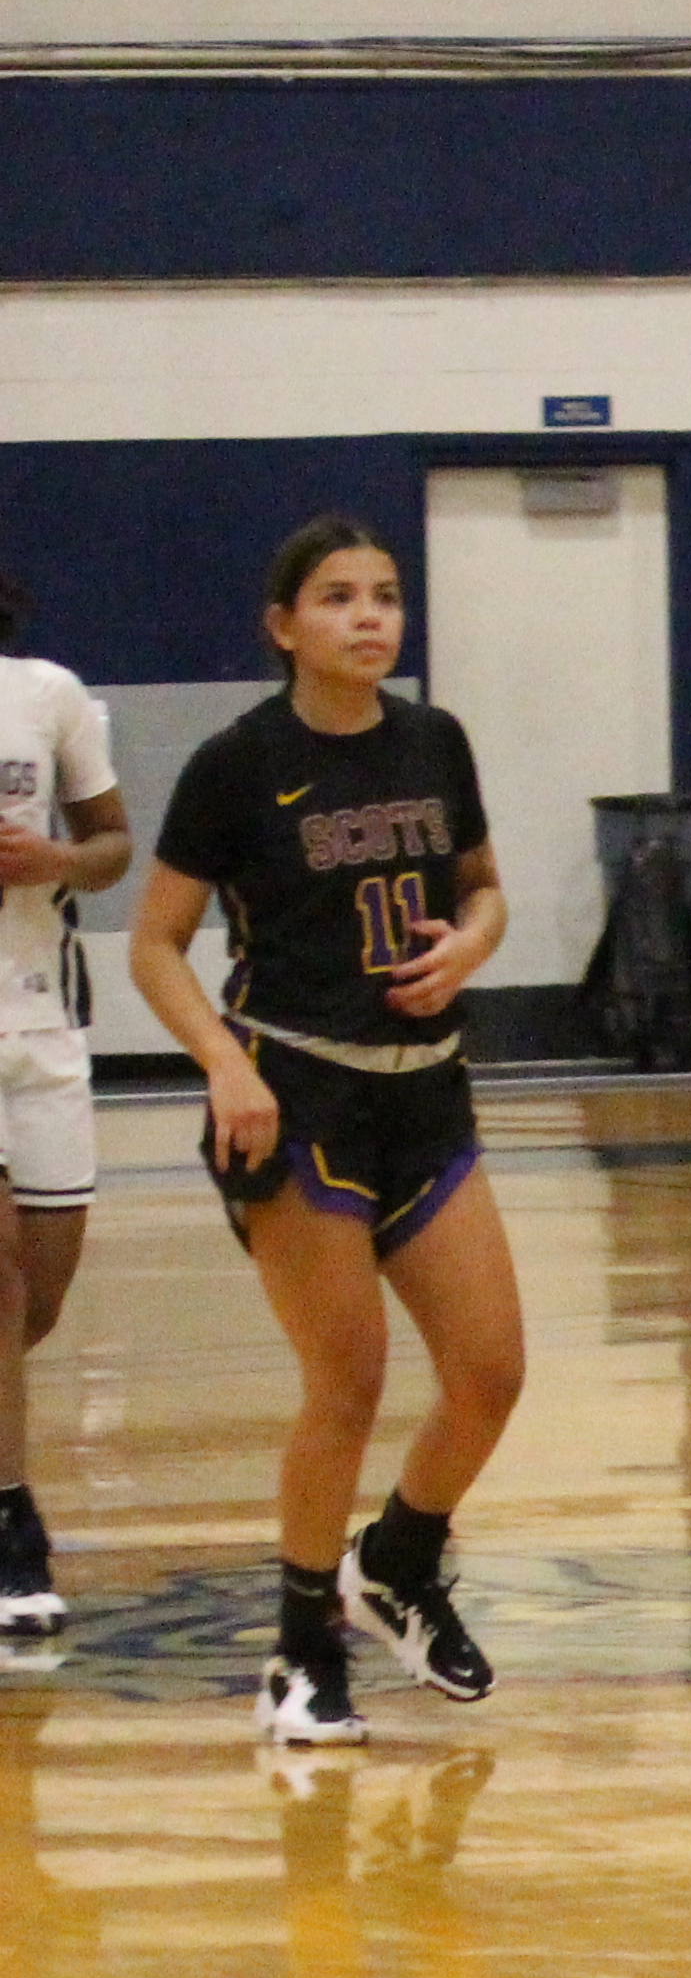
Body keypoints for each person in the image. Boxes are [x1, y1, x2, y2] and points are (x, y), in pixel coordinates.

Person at [119, 517, 524, 1746]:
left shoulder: (434, 740)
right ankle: (300, 1653)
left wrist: (476, 944)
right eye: (339, 596)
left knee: (491, 1375)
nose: (370, 617)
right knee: (346, 1380)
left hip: (427, 1092)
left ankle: (397, 1559)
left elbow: (485, 890)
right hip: (295, 1101)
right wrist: (224, 1063)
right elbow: (153, 945)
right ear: (283, 624)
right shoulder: (238, 765)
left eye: (387, 596)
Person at [0, 584, 128, 1642]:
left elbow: (115, 845)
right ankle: (11, 1528)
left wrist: (56, 862)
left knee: (34, 1303)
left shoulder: (48, 696)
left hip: (41, 1028)